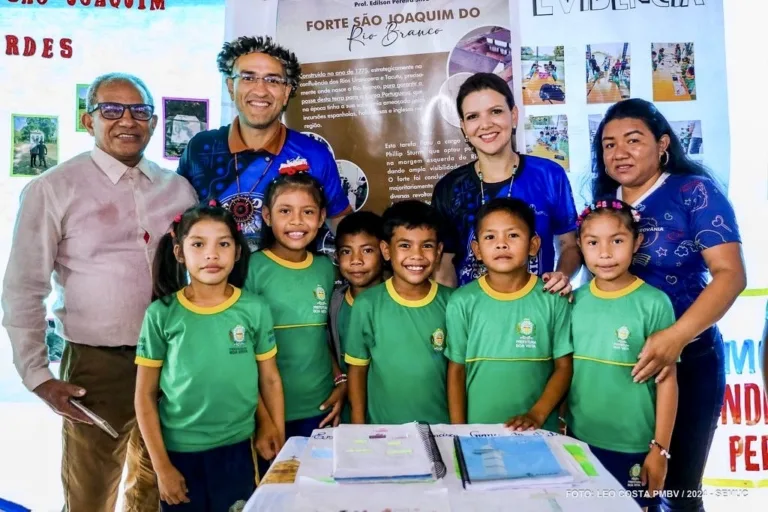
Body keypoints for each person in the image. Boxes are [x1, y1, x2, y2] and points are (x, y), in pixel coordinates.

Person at [2, 72, 198, 511]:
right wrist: (37, 376)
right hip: (95, 366)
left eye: (139, 110)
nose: (126, 120)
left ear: (152, 121)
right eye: (111, 109)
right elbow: (22, 287)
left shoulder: (179, 191)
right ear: (88, 120)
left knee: (156, 487)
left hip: (172, 360)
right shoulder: (53, 189)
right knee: (90, 494)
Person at [591, 98, 746, 511]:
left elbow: (731, 274)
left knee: (677, 491)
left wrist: (676, 337)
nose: (619, 152)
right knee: (617, 487)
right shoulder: (605, 201)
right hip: (616, 366)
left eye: (632, 140)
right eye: (608, 144)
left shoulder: (692, 191)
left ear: (662, 144)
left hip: (689, 360)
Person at [135, 202, 284, 510]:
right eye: (198, 244)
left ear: (238, 251)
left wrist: (273, 428)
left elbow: (268, 378)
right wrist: (162, 468)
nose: (212, 254)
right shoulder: (161, 315)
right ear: (179, 252)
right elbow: (144, 396)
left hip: (237, 450)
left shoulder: (254, 309)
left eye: (224, 244)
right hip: (179, 453)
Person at [177, 35, 351, 253]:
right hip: (219, 284)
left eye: (273, 80)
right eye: (248, 78)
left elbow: (340, 221)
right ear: (231, 86)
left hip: (291, 283)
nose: (260, 90)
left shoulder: (314, 154)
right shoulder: (200, 149)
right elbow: (179, 219)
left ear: (287, 92)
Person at [568, 200, 678, 511]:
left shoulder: (655, 303)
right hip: (581, 441)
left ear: (636, 242)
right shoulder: (572, 302)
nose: (605, 253)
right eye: (593, 242)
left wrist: (660, 450)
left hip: (635, 446)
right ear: (580, 245)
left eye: (617, 241)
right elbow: (565, 370)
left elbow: (667, 381)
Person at [431, 72, 580, 293]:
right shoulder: (449, 188)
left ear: (514, 115)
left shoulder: (549, 175)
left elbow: (569, 245)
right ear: (463, 126)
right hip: (474, 316)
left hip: (537, 308)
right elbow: (444, 268)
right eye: (473, 117)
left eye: (496, 112)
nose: (485, 124)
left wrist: (561, 276)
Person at [445, 198, 573, 432]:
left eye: (512, 235)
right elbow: (456, 371)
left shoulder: (553, 298)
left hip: (540, 431)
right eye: (490, 237)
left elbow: (564, 367)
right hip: (477, 432)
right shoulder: (462, 302)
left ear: (533, 245)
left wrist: (537, 414)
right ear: (477, 250)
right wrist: (458, 431)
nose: (501, 244)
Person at [244, 171, 346, 438]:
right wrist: (263, 418)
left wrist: (341, 381)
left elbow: (321, 338)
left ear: (322, 217)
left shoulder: (326, 269)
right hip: (269, 411)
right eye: (285, 211)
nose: (297, 221)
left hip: (322, 407)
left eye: (308, 212)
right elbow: (241, 353)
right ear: (267, 216)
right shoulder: (251, 270)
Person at [345, 200, 453, 425]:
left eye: (427, 246)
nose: (417, 255)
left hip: (440, 427)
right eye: (405, 245)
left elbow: (458, 372)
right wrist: (357, 426)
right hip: (384, 432)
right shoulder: (366, 305)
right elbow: (357, 370)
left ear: (439, 251)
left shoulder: (452, 303)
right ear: (386, 250)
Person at [329, 211, 386, 424]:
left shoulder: (393, 300)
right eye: (346, 251)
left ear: (385, 251)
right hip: (348, 412)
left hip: (388, 412)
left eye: (367, 250)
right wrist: (339, 379)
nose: (356, 261)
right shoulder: (335, 302)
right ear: (336, 256)